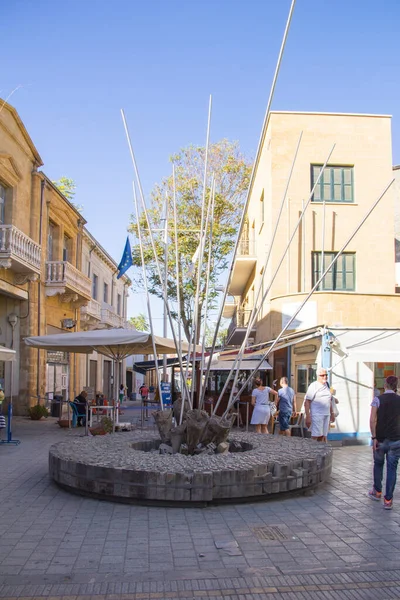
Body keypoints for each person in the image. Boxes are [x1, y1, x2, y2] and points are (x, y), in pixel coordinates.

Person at [368, 375, 400, 510]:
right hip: (396, 439)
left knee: (378, 464)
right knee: (392, 469)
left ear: (385, 385)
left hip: (380, 439)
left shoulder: (377, 399)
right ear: (396, 386)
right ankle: (388, 500)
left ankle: (377, 491)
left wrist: (374, 437)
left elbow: (372, 419)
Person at [304, 368, 335, 442]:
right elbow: (307, 402)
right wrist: (308, 416)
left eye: (326, 375)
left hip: (326, 414)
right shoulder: (313, 385)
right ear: (318, 376)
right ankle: (312, 451)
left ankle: (322, 451)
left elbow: (329, 401)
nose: (325, 377)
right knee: (316, 436)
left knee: (324, 436)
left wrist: (332, 413)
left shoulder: (327, 385)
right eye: (322, 375)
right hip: (317, 415)